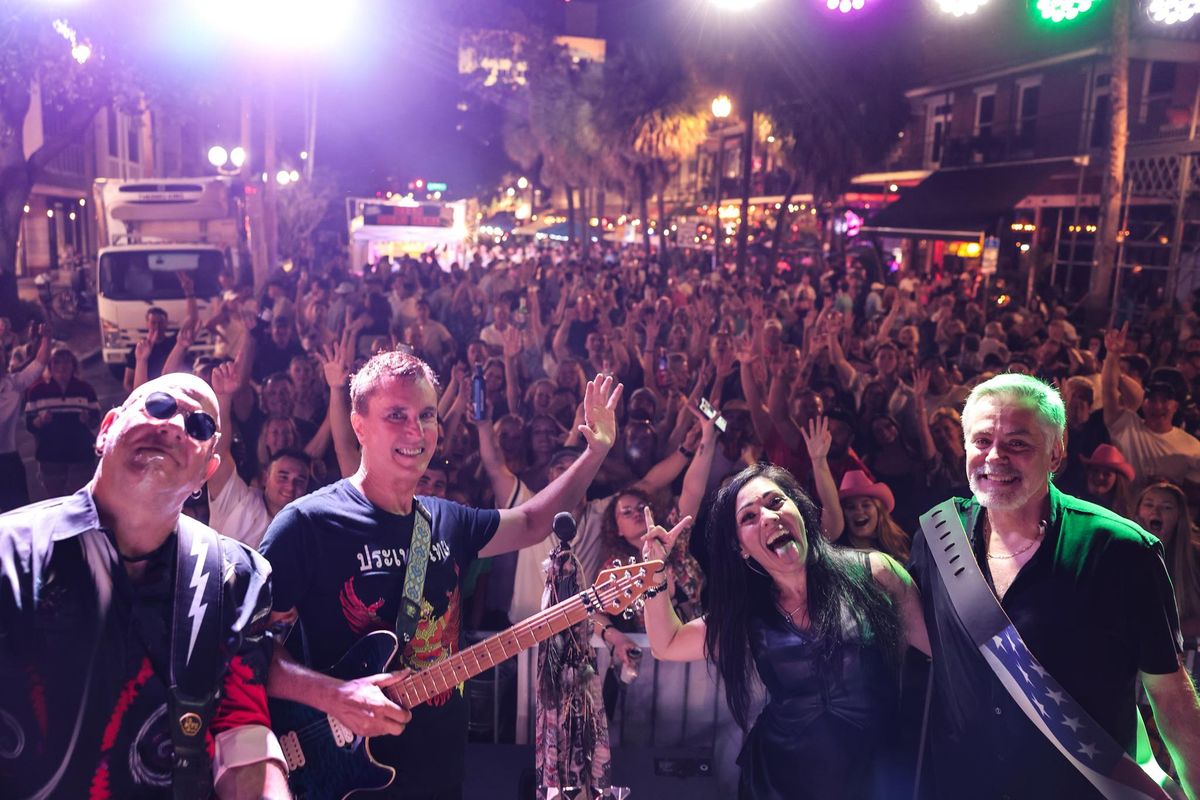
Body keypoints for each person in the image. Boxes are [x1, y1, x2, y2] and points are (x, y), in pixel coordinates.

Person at [260, 350, 623, 799]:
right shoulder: (308, 524)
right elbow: (243, 651)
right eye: (397, 415)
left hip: (439, 772)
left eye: (426, 415)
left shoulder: (446, 520)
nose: (416, 431)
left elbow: (532, 521)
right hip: (338, 775)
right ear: (359, 424)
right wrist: (334, 695)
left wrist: (596, 452)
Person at [909, 373, 1200, 799]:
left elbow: (1171, 697)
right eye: (982, 440)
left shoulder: (1121, 550)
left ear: (1056, 451)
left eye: (1017, 443)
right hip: (965, 785)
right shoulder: (936, 537)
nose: (994, 456)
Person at [0, 371, 288, 798]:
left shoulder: (235, 578)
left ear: (207, 471)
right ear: (106, 429)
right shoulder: (10, 553)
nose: (173, 425)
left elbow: (240, 725)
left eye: (199, 426)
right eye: (158, 406)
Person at [641, 463, 929, 799]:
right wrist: (655, 574)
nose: (767, 517)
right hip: (781, 780)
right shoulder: (749, 614)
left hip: (877, 773)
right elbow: (667, 643)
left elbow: (939, 657)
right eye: (748, 517)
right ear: (741, 548)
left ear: (801, 511)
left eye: (775, 502)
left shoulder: (875, 572)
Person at [25, 346, 101, 498]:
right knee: (56, 502)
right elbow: (30, 424)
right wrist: (40, 421)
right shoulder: (37, 391)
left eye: (67, 362)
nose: (62, 367)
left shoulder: (85, 389)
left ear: (73, 365)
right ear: (50, 366)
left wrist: (88, 419)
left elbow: (96, 420)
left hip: (80, 456)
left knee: (80, 500)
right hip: (50, 457)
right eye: (57, 362)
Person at [1133, 481, 1200, 638]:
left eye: (1167, 507)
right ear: (1137, 512)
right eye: (1148, 505)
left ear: (1179, 516)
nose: (1155, 511)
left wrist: (1165, 632)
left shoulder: (1195, 557)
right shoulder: (1123, 552)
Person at [0, 325, 50, 511]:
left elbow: (38, 364)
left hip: (8, 460)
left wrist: (46, 338)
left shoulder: (13, 383)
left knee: (17, 511)